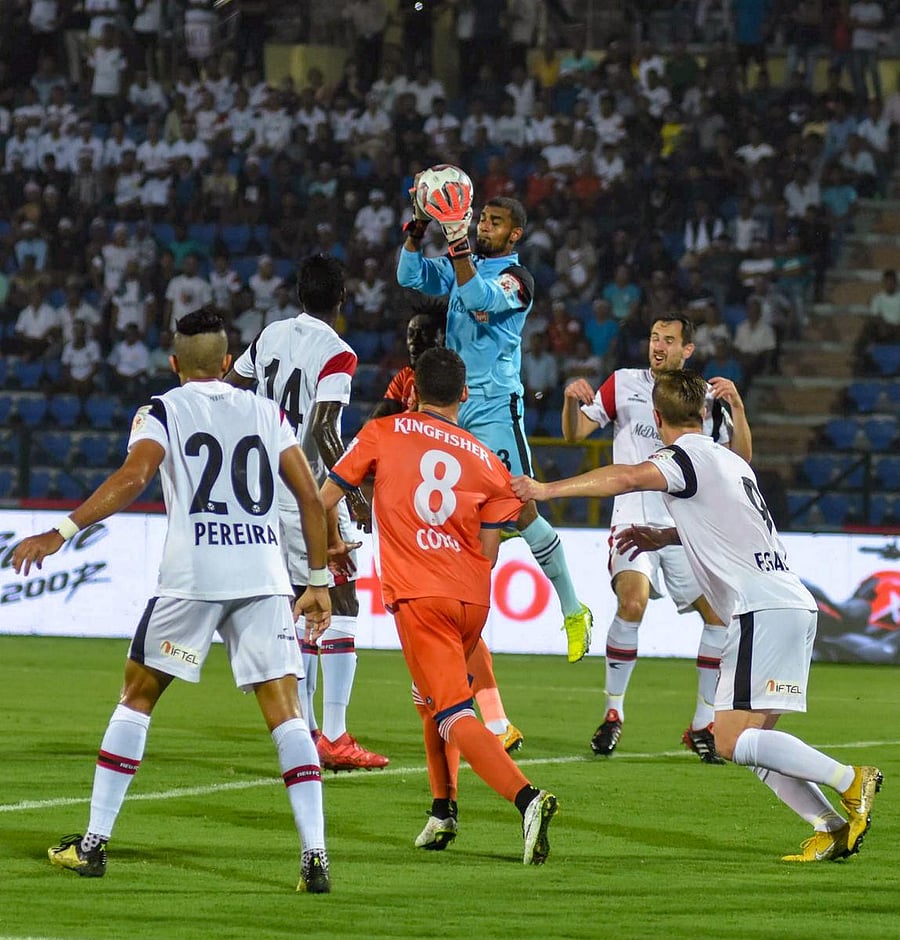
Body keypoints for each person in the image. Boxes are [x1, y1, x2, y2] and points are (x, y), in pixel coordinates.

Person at [12, 310, 333, 892]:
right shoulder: (268, 411)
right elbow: (310, 499)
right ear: (231, 360)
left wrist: (61, 530)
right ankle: (315, 856)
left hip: (193, 579)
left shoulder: (162, 409)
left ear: (174, 364)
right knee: (287, 714)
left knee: (137, 697)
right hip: (263, 576)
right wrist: (317, 582)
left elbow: (135, 477)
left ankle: (93, 843)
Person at [513, 368, 883, 862]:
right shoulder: (732, 462)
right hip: (789, 601)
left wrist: (544, 491)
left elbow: (623, 477)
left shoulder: (680, 457)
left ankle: (850, 779)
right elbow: (728, 526)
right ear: (706, 414)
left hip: (761, 609)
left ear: (657, 416)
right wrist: (663, 536)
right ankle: (833, 826)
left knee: (729, 739)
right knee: (751, 740)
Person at [322, 346, 558, 863]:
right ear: (466, 395)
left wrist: (325, 560)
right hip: (472, 598)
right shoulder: (486, 460)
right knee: (430, 698)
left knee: (452, 712)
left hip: (420, 594)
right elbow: (490, 550)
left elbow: (324, 496)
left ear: (412, 392)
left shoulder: (383, 432)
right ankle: (442, 809)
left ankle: (527, 799)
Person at [397, 180, 592, 664]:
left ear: (515, 235)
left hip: (495, 408)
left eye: (495, 222)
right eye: (482, 219)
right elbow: (408, 275)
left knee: (521, 504)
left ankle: (573, 609)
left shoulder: (518, 279)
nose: (484, 226)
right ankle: (465, 635)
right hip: (454, 409)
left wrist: (459, 243)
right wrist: (418, 226)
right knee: (469, 526)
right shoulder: (469, 265)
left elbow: (481, 298)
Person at [561, 315, 752, 762]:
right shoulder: (623, 383)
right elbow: (575, 434)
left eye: (669, 340)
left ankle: (703, 724)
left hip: (687, 525)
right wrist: (572, 401)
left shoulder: (702, 397)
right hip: (633, 515)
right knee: (633, 602)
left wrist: (738, 410)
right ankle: (613, 714)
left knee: (719, 620)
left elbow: (741, 458)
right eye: (653, 338)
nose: (658, 346)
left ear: (688, 349)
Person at [226, 253, 388, 773]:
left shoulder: (269, 335)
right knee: (340, 603)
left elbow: (232, 384)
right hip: (309, 493)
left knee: (298, 607)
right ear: (342, 300)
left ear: (298, 292)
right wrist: (353, 491)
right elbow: (322, 428)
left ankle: (308, 728)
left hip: (261, 492)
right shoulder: (337, 353)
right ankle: (334, 735)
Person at [371, 303, 525, 754]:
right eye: (410, 335)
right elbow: (379, 423)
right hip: (422, 510)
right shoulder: (408, 380)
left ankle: (480, 724)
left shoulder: (454, 377)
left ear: (441, 339)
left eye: (423, 336)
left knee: (446, 625)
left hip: (450, 512)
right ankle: (492, 722)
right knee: (456, 630)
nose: (414, 343)